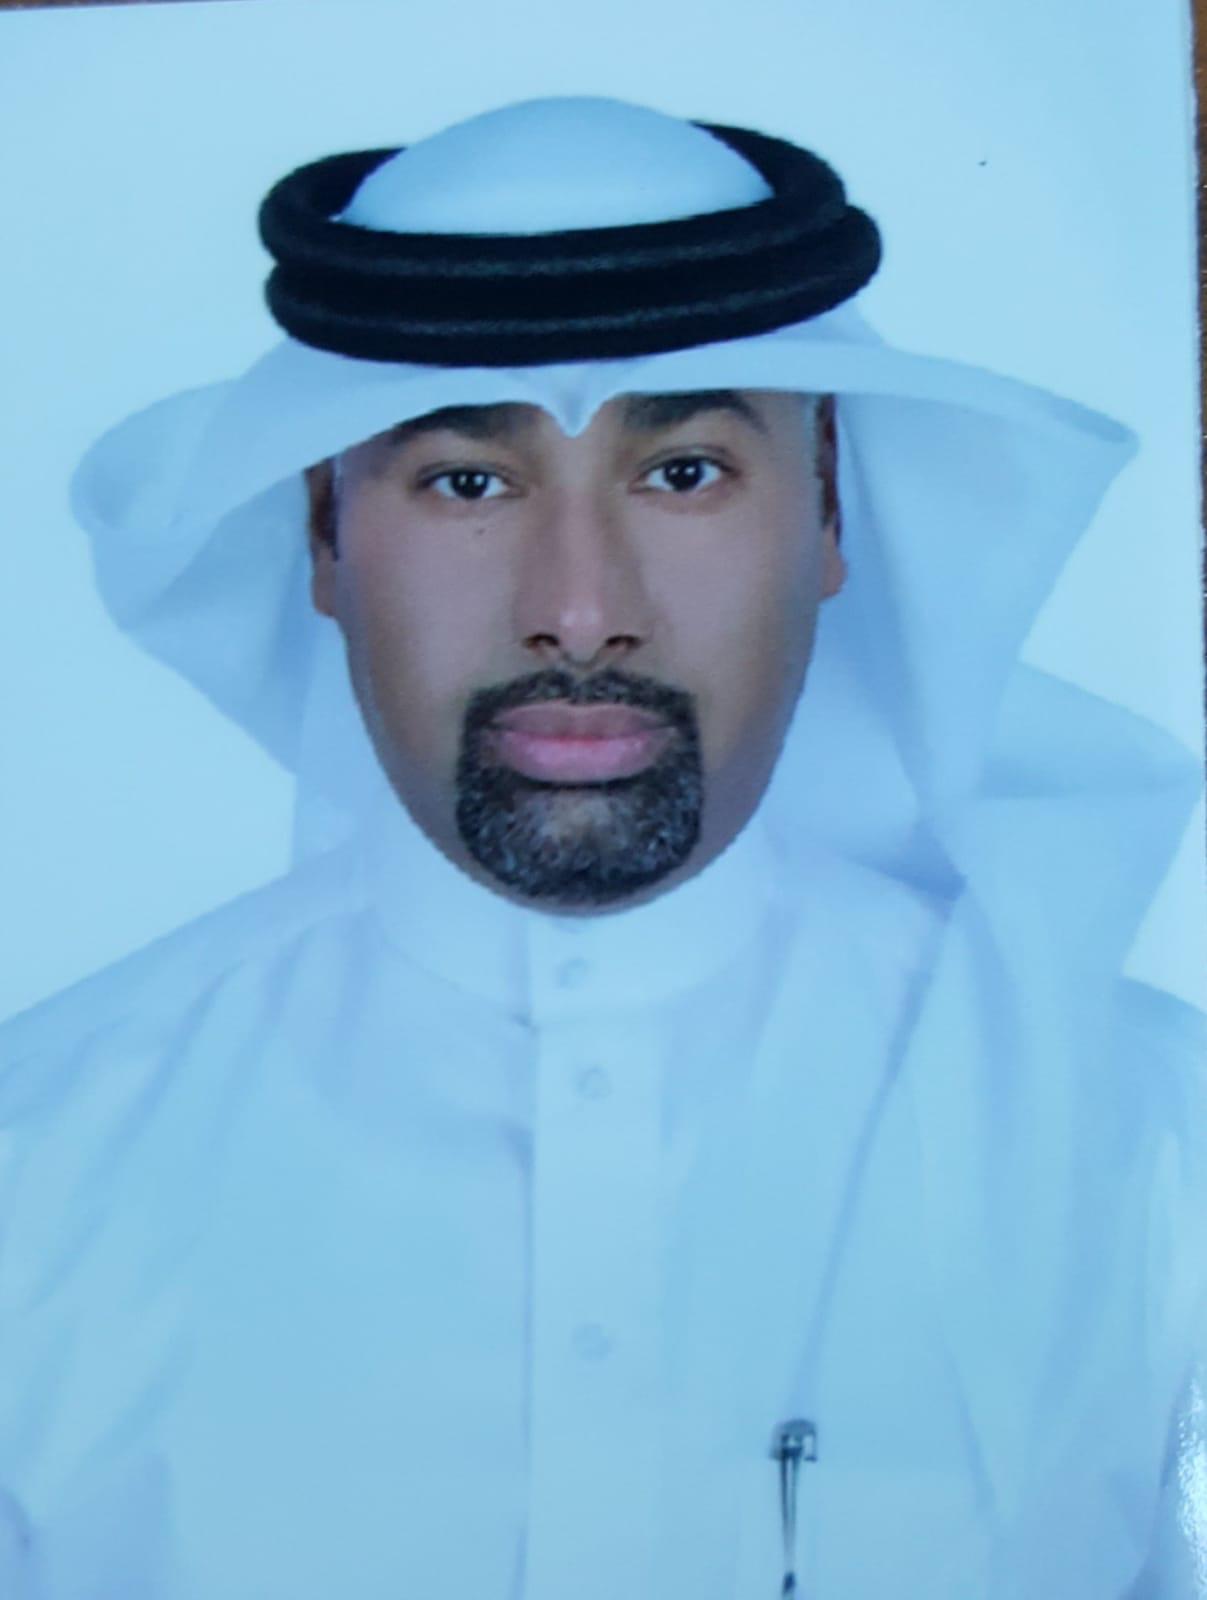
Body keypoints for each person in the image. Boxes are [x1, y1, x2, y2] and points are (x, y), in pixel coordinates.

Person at [0, 94, 1203, 1600]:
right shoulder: (37, 1172)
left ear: (830, 509)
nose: (578, 613)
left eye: (683, 471)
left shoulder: (1155, 1153)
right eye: (469, 481)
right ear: (322, 532)